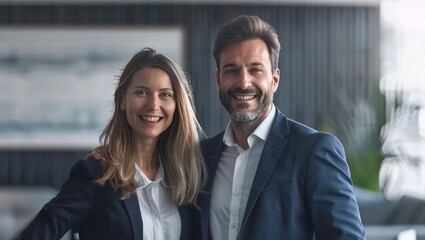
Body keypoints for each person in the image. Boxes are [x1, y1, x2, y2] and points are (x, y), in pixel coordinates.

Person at [196, 15, 366, 239]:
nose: (243, 82)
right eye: (231, 70)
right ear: (219, 79)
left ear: (275, 80)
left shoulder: (313, 151)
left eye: (255, 69)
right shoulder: (203, 156)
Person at [19, 47, 206, 240]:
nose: (153, 105)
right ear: (123, 100)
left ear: (177, 104)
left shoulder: (190, 174)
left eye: (165, 94)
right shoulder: (95, 173)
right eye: (142, 92)